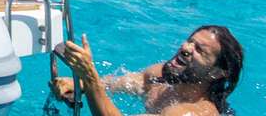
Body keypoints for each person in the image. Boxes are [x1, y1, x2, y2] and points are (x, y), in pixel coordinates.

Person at [54, 26, 244, 116]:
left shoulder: (193, 113)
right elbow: (117, 83)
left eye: (199, 50)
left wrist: (89, 77)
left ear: (216, 73)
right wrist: (78, 84)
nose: (186, 48)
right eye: (190, 41)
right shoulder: (160, 77)